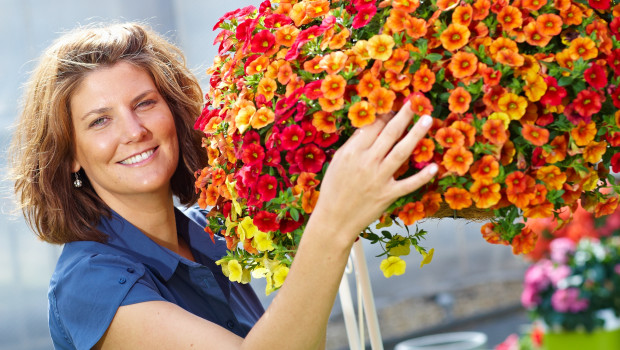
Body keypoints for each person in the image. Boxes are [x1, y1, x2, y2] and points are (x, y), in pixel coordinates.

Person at [9, 22, 437, 350]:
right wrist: (333, 223)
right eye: (100, 121)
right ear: (70, 156)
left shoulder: (212, 231)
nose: (134, 130)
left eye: (145, 103)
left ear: (174, 113)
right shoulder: (89, 282)